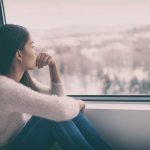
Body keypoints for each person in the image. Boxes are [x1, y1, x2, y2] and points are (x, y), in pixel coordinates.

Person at [0, 24, 110, 150]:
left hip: (24, 139)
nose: (35, 51)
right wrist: (78, 104)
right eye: (32, 46)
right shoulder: (3, 88)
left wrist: (53, 66)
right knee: (53, 116)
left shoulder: (21, 81)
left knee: (63, 111)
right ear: (19, 54)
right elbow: (59, 109)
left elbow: (58, 99)